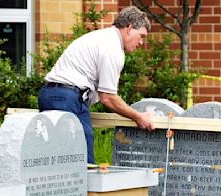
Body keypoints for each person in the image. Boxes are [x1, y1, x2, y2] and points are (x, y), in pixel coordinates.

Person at [38, 6, 154, 164]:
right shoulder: (113, 49)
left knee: (62, 163)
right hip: (67, 99)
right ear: (129, 28)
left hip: (56, 94)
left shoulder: (102, 37)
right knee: (81, 164)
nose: (141, 42)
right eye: (141, 36)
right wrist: (139, 117)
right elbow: (108, 98)